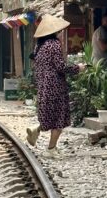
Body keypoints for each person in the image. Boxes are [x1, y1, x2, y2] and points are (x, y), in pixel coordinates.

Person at [26, 14, 82, 154]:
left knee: (50, 114)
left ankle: (36, 130)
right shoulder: (54, 44)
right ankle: (51, 149)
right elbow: (60, 67)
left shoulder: (39, 46)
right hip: (56, 86)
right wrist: (78, 68)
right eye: (59, 31)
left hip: (44, 86)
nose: (61, 33)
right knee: (59, 118)